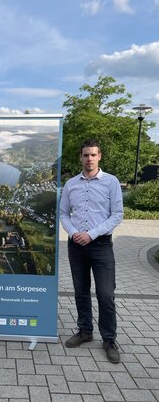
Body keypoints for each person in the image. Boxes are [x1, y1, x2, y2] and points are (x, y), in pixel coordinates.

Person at [60, 139, 123, 363]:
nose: (89, 159)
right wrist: (75, 232)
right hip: (76, 245)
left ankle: (109, 339)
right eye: (85, 155)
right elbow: (64, 213)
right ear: (80, 157)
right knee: (81, 290)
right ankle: (85, 331)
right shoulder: (71, 184)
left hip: (101, 245)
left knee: (106, 294)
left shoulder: (111, 182)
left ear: (99, 156)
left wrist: (92, 234)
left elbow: (117, 214)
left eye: (93, 155)